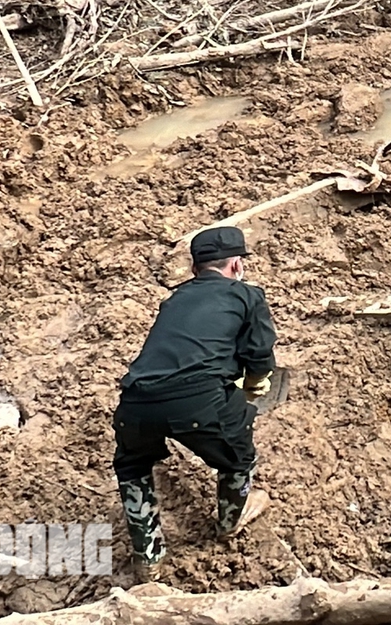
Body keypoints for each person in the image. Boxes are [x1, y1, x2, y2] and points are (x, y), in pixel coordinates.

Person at [113, 227, 277, 571]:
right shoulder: (247, 296)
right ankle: (230, 521)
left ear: (194, 269)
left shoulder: (174, 298)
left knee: (132, 464)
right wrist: (255, 383)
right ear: (236, 266)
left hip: (136, 400)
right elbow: (258, 352)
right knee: (238, 456)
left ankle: (149, 555)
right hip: (198, 401)